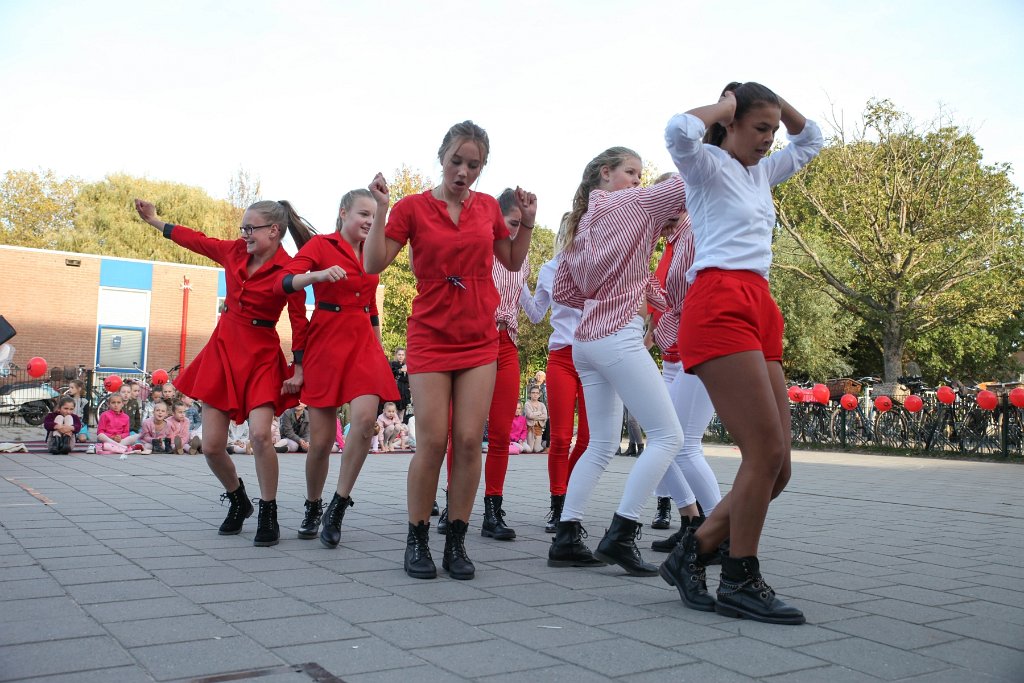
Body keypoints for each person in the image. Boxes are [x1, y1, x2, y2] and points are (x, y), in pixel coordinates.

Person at [659, 82, 822, 625]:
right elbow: (677, 130)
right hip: (720, 301)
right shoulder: (706, 165)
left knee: (779, 470)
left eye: (773, 131)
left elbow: (812, 140)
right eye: (760, 129)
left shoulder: (762, 172)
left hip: (759, 303)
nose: (770, 140)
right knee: (764, 451)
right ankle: (739, 577)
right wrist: (730, 104)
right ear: (730, 124)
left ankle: (693, 550)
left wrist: (776, 102)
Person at [364, 120, 534, 581]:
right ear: (442, 157)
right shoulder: (412, 207)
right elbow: (373, 262)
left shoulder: (486, 210)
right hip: (431, 334)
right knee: (434, 440)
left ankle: (457, 538)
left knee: (467, 441)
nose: (463, 171)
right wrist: (380, 210)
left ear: (482, 167)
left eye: (473, 165)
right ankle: (417, 536)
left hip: (480, 335)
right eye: (456, 161)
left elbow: (513, 261)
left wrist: (528, 224)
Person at [134, 197, 311, 547]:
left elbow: (298, 320)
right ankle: (238, 498)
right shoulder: (233, 252)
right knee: (213, 446)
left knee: (262, 436)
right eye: (242, 228)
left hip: (261, 355)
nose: (244, 234)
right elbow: (197, 240)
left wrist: (300, 367)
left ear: (274, 231)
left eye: (251, 228)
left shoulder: (289, 268)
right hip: (224, 351)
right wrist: (155, 221)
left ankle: (268, 511)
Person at [550, 147, 686, 576]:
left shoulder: (582, 224)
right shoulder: (634, 205)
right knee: (669, 437)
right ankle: (622, 532)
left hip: (584, 342)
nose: (639, 181)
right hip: (617, 336)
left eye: (641, 175)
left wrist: (629, 281)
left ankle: (567, 535)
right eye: (631, 172)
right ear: (605, 174)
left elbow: (566, 294)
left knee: (603, 444)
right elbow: (686, 185)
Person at [277, 182, 400, 549]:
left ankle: (339, 505)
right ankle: (313, 505)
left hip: (363, 341)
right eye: (364, 214)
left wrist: (378, 348)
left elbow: (372, 302)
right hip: (327, 341)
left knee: (364, 422)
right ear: (344, 213)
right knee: (321, 441)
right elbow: (285, 282)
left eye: (374, 216)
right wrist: (316, 275)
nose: (369, 221)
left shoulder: (371, 250)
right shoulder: (320, 246)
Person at [644, 200, 723, 549]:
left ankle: (720, 532)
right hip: (676, 354)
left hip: (698, 349)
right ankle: (694, 523)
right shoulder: (674, 242)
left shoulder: (692, 235)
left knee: (681, 444)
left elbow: (685, 296)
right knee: (668, 442)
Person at [520, 219, 590, 532]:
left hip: (594, 357)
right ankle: (558, 504)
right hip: (562, 356)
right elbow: (536, 314)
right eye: (573, 230)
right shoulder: (549, 269)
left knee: (589, 440)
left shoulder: (598, 263)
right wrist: (516, 279)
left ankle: (571, 496)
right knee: (561, 437)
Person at [477, 186, 538, 541]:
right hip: (477, 340)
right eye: (511, 223)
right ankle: (455, 504)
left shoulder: (522, 256)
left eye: (520, 224)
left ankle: (492, 509)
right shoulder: (480, 246)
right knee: (465, 434)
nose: (514, 231)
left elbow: (525, 301)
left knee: (500, 433)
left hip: (506, 344)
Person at [523, 386, 548, 454]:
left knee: (536, 449)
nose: (535, 394)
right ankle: (523, 444)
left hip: (538, 428)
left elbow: (545, 416)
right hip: (530, 428)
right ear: (530, 394)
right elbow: (530, 416)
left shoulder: (542, 405)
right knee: (530, 450)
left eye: (537, 393)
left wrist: (534, 415)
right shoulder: (527, 404)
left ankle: (542, 443)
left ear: (539, 395)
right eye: (533, 393)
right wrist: (539, 413)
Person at [390, 348, 412, 421]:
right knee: (393, 411)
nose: (401, 356)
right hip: (395, 391)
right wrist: (400, 370)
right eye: (399, 354)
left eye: (402, 355)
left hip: (404, 391)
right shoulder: (392, 364)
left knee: (402, 413)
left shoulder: (406, 365)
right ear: (396, 355)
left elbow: (408, 380)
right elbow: (392, 374)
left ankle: (401, 429)